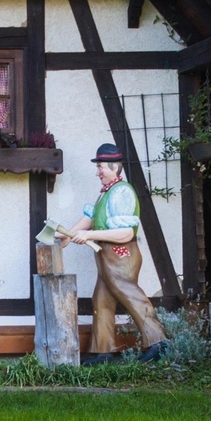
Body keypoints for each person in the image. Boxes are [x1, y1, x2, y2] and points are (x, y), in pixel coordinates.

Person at [60, 143, 167, 362]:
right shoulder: (106, 193)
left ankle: (159, 342)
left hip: (121, 255)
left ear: (115, 167)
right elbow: (90, 219)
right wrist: (68, 235)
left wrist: (88, 236)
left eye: (101, 167)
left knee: (131, 295)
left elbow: (126, 233)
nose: (98, 172)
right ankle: (104, 350)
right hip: (106, 257)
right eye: (98, 167)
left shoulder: (123, 192)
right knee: (101, 301)